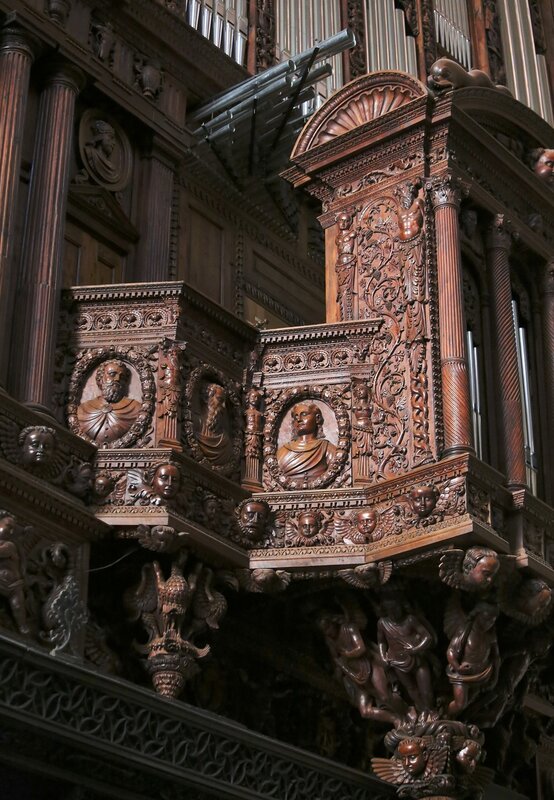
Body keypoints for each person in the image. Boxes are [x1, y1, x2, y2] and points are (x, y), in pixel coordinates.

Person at [377, 595, 436, 712]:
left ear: (402, 607)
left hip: (417, 660)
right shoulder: (382, 623)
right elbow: (381, 642)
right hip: (397, 661)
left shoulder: (410, 620)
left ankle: (431, 709)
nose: (394, 612)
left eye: (396, 608)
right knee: (411, 688)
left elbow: (427, 637)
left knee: (426, 690)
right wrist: (383, 657)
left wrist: (416, 649)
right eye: (390, 610)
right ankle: (423, 711)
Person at [446, 602, 500, 716]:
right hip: (463, 674)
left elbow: (496, 657)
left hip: (482, 675)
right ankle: (444, 715)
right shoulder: (467, 630)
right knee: (460, 703)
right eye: (486, 619)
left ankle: (454, 718)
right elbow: (451, 651)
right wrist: (457, 667)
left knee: (469, 701)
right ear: (477, 615)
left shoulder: (490, 636)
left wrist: (495, 675)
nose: (488, 623)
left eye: (492, 621)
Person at [77, 360, 141, 445]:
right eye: (112, 374)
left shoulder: (135, 408)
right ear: (100, 378)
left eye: (122, 377)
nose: (117, 379)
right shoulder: (83, 409)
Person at [277, 402, 336, 480]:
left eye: (304, 414)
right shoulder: (283, 451)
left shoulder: (326, 448)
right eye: (296, 417)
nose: (299, 419)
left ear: (317, 418)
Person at [196, 382, 233, 466]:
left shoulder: (225, 438)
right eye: (220, 399)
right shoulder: (197, 423)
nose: (223, 406)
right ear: (206, 398)